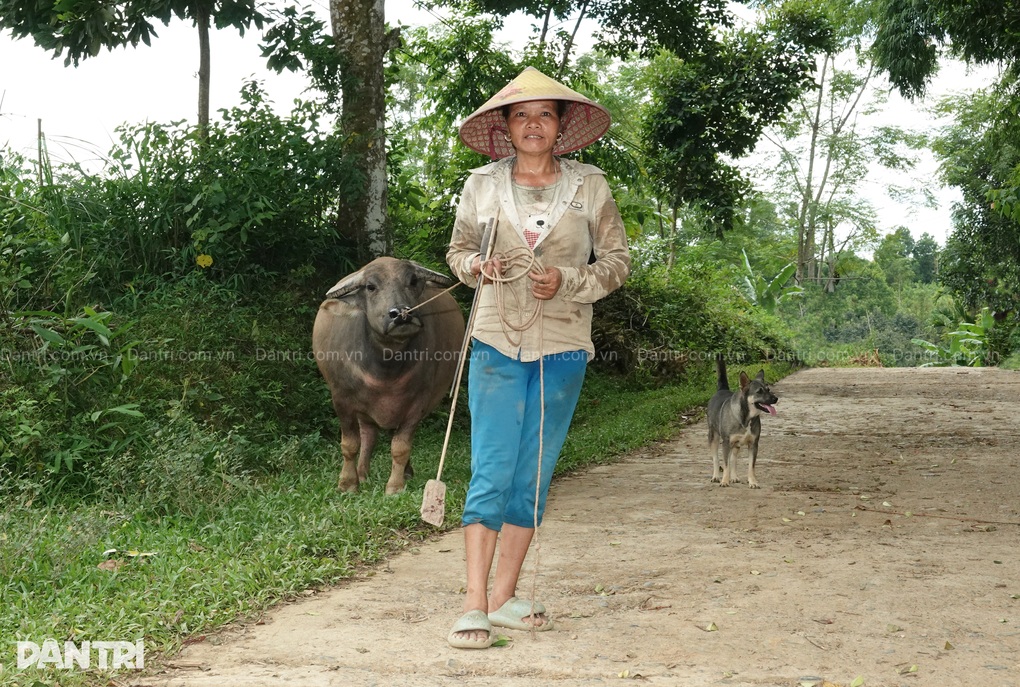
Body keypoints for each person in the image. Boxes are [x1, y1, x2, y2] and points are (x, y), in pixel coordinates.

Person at [445, 66, 631, 649]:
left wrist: (568, 280)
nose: (533, 125)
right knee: (491, 469)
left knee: (533, 475)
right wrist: (478, 267)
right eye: (521, 115)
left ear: (561, 125)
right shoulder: (481, 184)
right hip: (498, 340)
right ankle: (473, 602)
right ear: (505, 126)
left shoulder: (591, 186)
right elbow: (458, 253)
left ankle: (503, 598)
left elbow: (617, 263)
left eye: (544, 115)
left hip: (564, 347)